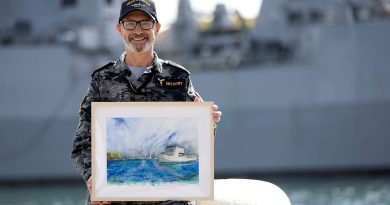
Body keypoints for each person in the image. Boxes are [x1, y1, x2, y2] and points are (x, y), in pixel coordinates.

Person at [71, 0, 222, 205]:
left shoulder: (178, 77)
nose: (138, 30)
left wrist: (207, 122)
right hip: (114, 200)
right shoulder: (101, 80)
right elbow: (82, 144)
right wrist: (92, 179)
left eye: (145, 23)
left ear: (157, 28)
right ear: (119, 29)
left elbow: (196, 143)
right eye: (130, 23)